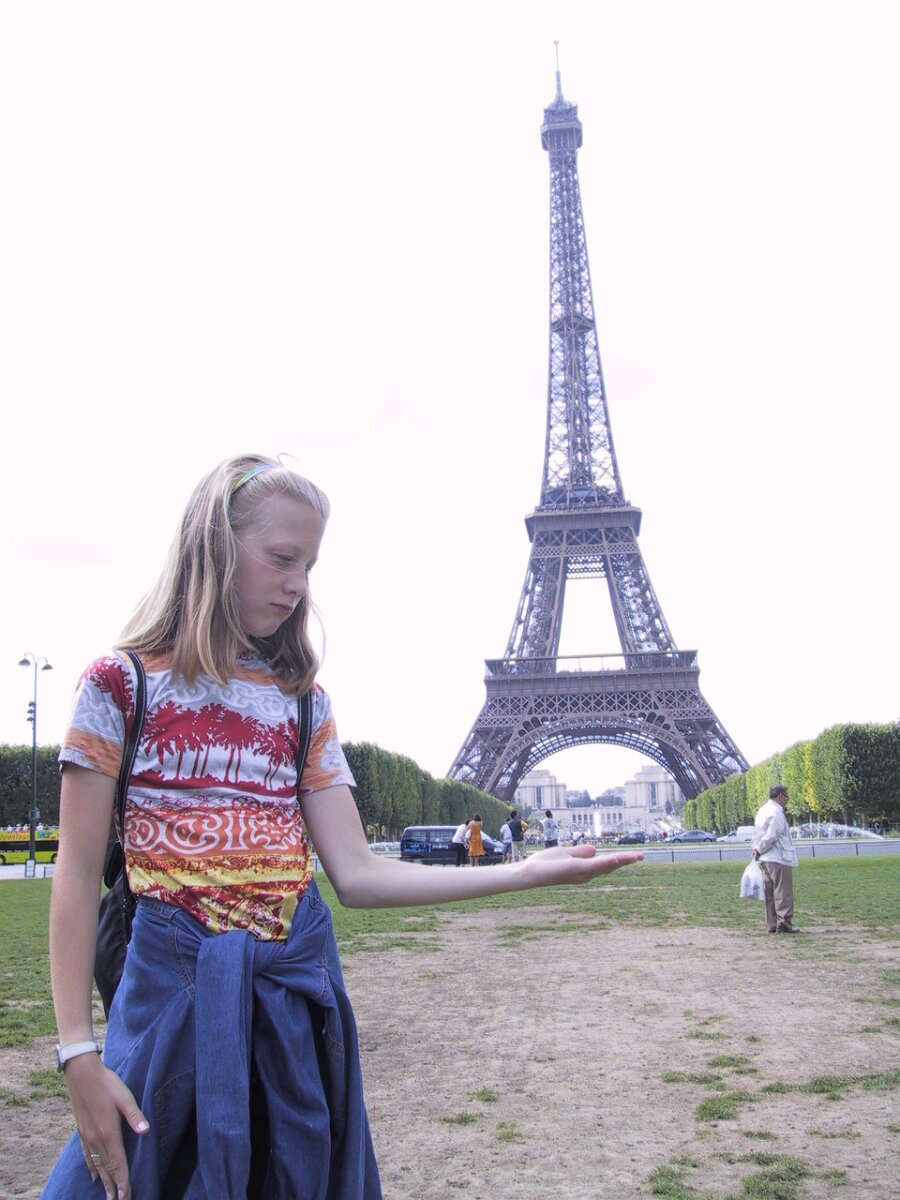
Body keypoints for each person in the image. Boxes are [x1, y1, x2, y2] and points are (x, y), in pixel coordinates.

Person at [42, 453, 643, 1200]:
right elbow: (75, 877)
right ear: (215, 547)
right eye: (282, 558)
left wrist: (526, 872)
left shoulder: (304, 703)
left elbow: (356, 874)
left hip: (290, 1016)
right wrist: (78, 1054)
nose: (299, 585)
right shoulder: (118, 686)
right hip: (169, 1007)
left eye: (310, 566)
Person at [751, 784, 800, 934]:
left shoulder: (762, 810)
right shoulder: (776, 812)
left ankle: (771, 924)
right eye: (786, 796)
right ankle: (784, 923)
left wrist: (757, 849)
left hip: (765, 859)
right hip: (778, 858)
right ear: (780, 796)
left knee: (769, 893)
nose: (788, 800)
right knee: (783, 892)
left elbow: (758, 834)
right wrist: (759, 849)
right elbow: (772, 835)